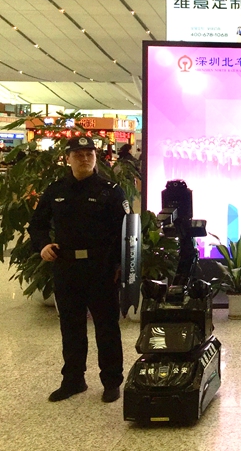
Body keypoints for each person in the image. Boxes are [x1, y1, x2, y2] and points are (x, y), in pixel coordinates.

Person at [28, 136, 129, 403]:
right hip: (67, 267)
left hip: (101, 269)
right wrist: (43, 245)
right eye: (79, 154)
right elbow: (37, 224)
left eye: (89, 154)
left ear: (96, 157)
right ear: (68, 158)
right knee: (71, 327)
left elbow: (125, 232)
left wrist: (120, 265)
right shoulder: (55, 190)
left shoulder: (111, 191)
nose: (85, 158)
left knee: (107, 327)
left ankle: (111, 381)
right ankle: (73, 380)